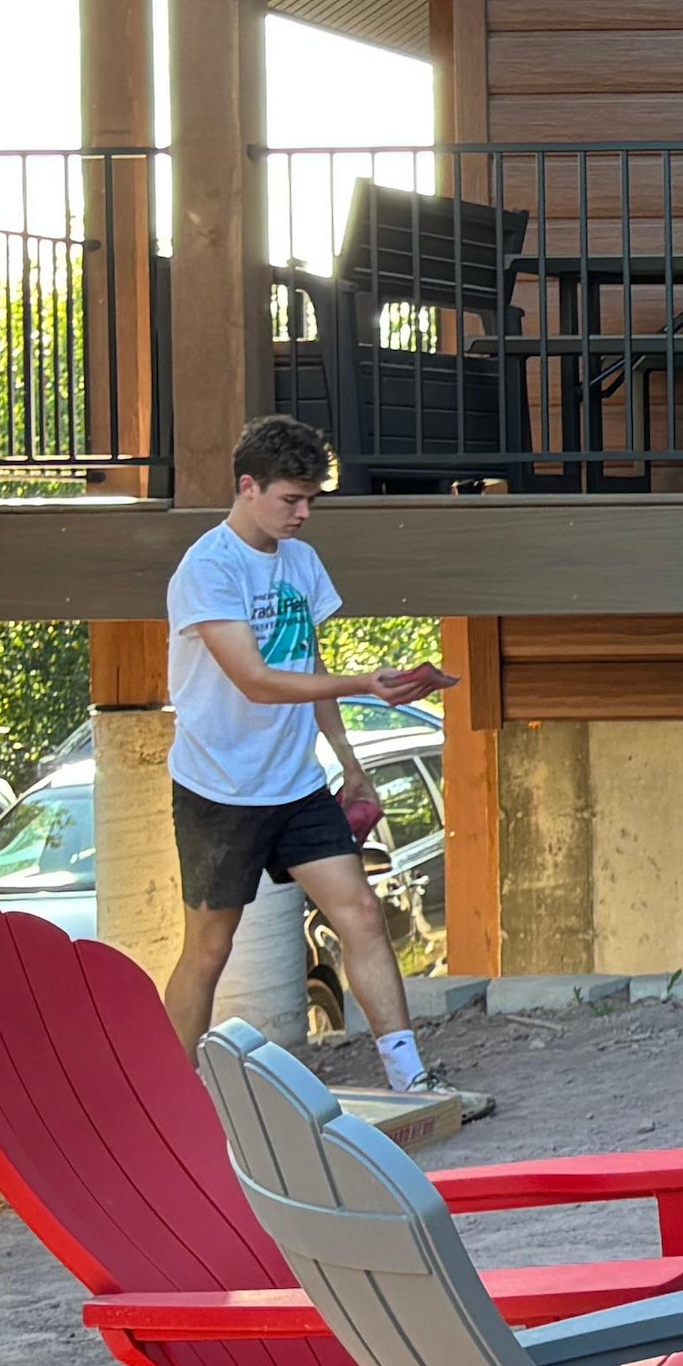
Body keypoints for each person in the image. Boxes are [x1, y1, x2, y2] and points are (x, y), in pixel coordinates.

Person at [163, 412, 448, 1081]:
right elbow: (258, 681)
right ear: (248, 486)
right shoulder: (208, 568)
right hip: (218, 791)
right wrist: (365, 683)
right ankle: (171, 1098)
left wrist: (350, 764)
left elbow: (306, 661)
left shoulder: (302, 562)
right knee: (208, 950)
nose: (303, 514)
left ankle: (410, 1075)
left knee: (362, 914)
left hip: (297, 785)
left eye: (311, 500)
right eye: (292, 499)